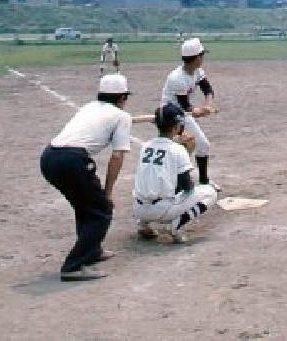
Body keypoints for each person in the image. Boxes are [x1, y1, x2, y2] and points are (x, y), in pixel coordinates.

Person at [39, 74, 132, 281]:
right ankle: (73, 266)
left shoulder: (90, 107)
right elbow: (116, 157)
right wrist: (108, 193)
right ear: (122, 97)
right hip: (71, 160)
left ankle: (92, 251)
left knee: (84, 206)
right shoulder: (121, 116)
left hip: (49, 157)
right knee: (101, 211)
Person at [134, 103, 217, 243]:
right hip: (162, 211)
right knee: (210, 192)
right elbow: (187, 187)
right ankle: (177, 225)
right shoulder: (177, 150)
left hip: (138, 208)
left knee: (149, 185)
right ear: (176, 127)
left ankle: (142, 224)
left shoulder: (145, 146)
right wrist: (187, 153)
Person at [161, 38, 220, 191]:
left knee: (201, 146)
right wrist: (202, 111)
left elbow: (208, 89)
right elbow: (186, 107)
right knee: (181, 150)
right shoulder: (177, 78)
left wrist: (207, 105)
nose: (203, 58)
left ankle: (203, 181)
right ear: (196, 58)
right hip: (170, 117)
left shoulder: (197, 71)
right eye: (201, 55)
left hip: (182, 114)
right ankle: (177, 186)